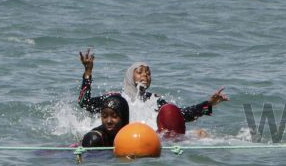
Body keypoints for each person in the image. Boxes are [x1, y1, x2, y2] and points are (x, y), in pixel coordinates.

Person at [77, 49, 228, 125]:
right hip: (119, 140)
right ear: (130, 76)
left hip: (146, 140)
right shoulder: (115, 99)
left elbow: (180, 115)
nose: (145, 76)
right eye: (140, 72)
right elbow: (84, 103)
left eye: (148, 73)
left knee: (201, 134)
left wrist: (209, 103)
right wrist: (88, 72)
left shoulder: (154, 101)